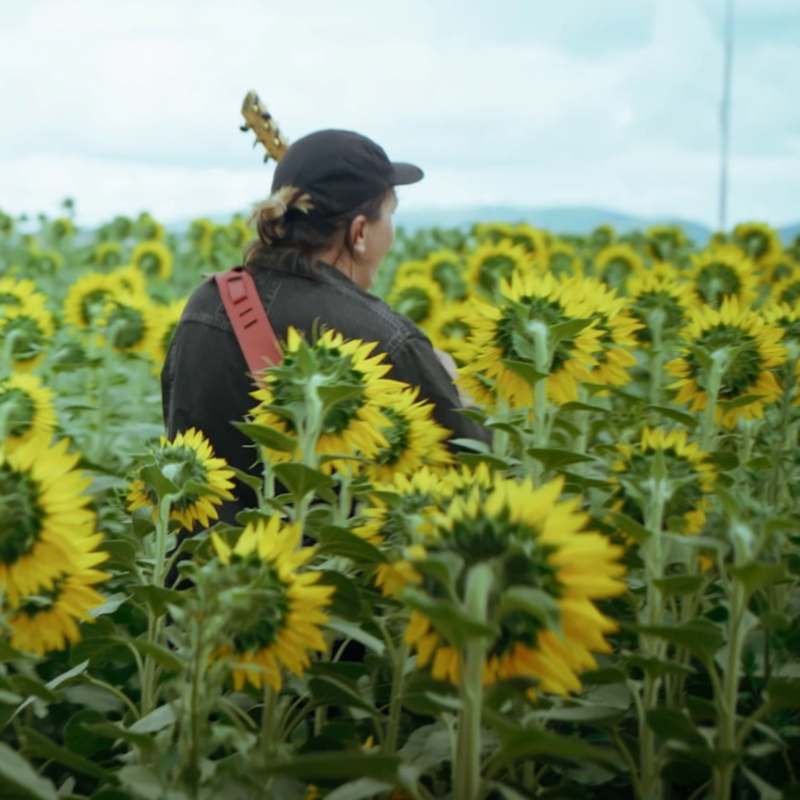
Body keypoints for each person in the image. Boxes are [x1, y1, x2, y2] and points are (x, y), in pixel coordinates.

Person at [161, 129, 490, 522]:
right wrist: (459, 393)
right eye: (391, 214)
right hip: (319, 578)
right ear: (361, 233)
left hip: (197, 575)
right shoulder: (385, 340)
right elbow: (479, 472)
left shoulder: (207, 303)